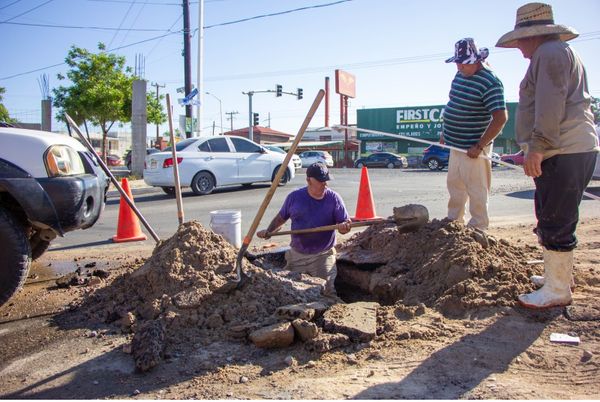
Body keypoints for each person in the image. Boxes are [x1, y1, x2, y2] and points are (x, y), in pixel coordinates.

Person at [496, 2, 599, 309]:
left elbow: (550, 105)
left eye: (519, 41)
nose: (518, 48)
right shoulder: (555, 53)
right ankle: (557, 278)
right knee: (553, 212)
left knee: (556, 217)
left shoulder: (550, 54)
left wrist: (537, 147)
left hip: (563, 148)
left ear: (532, 36)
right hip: (569, 146)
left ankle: (557, 289)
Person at [442, 38, 508, 231]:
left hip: (474, 145)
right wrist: (444, 131)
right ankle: (454, 221)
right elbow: (452, 103)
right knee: (455, 184)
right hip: (455, 143)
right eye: (457, 62)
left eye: (463, 63)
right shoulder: (459, 75)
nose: (459, 66)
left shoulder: (490, 81)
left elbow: (500, 118)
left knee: (476, 188)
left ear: (476, 61)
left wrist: (479, 146)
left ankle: (478, 227)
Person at [257, 162, 352, 296]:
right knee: (285, 291)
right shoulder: (295, 197)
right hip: (297, 255)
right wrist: (269, 231)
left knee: (327, 293)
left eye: (326, 180)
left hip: (322, 255)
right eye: (320, 181)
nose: (325, 184)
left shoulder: (334, 199)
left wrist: (344, 227)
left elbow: (343, 226)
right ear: (308, 180)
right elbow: (281, 217)